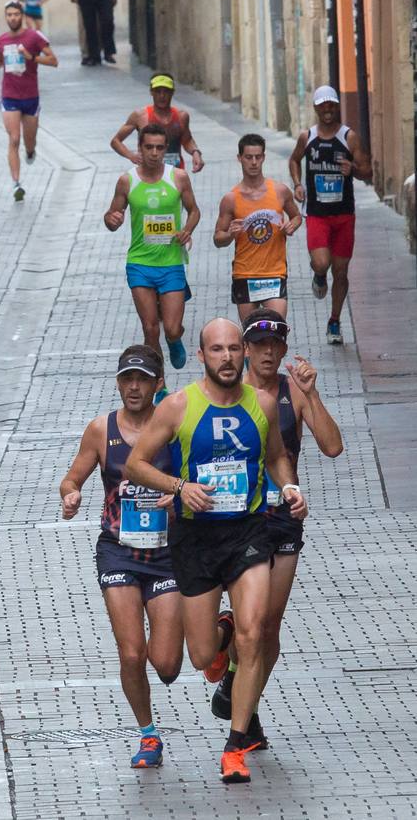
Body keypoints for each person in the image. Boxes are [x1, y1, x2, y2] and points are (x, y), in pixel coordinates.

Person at [125, 318, 308, 784]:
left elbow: (274, 456)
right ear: (202, 355)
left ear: (242, 354)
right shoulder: (178, 407)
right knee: (204, 653)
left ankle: (235, 745)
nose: (227, 357)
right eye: (217, 350)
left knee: (254, 634)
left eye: (233, 349)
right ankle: (218, 639)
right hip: (195, 540)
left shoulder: (262, 403)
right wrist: (179, 486)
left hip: (248, 533)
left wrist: (288, 486)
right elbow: (136, 464)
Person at [211, 308, 342, 746]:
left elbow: (332, 446)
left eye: (276, 345)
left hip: (284, 520)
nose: (268, 352)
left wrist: (313, 394)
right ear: (245, 349)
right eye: (259, 344)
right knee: (252, 623)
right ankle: (238, 694)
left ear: (284, 349)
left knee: (268, 628)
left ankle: (240, 703)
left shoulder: (293, 391)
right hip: (237, 521)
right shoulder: (232, 392)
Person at [59, 345, 183, 769]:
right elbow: (72, 476)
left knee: (166, 665)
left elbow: (197, 475)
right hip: (118, 551)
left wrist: (177, 495)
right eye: (127, 378)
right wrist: (71, 495)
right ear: (118, 382)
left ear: (157, 384)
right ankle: (148, 735)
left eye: (143, 379)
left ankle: (211, 637)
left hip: (167, 554)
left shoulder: (174, 425)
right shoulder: (101, 429)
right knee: (131, 653)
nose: (134, 387)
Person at [104, 123, 200, 398]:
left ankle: (174, 340)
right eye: (149, 147)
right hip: (140, 264)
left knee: (171, 328)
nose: (155, 153)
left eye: (160, 148)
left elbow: (194, 211)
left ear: (166, 149)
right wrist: (111, 220)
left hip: (171, 265)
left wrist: (187, 230)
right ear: (140, 148)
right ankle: (160, 385)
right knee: (150, 328)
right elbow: (112, 215)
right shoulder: (127, 181)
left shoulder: (178, 177)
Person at [289, 85, 372, 345]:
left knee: (342, 271)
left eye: (331, 104)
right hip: (317, 213)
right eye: (322, 105)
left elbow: (367, 170)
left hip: (344, 214)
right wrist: (298, 184)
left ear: (336, 106)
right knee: (323, 263)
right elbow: (294, 160)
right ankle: (318, 275)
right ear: (315, 108)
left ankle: (334, 321)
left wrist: (353, 170)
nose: (327, 109)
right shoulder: (307, 137)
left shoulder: (349, 137)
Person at [214, 134, 301, 322]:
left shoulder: (279, 191)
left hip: (274, 273)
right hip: (245, 274)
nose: (253, 162)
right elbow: (218, 238)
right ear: (239, 158)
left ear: (264, 157)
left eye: (258, 157)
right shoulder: (231, 199)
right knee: (250, 336)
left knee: (276, 330)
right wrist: (230, 234)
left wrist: (291, 225)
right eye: (248, 157)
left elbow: (296, 216)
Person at [0, 1, 58, 201]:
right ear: (5, 17)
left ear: (22, 15)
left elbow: (54, 61)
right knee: (14, 139)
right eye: (9, 15)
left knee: (29, 141)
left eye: (16, 14)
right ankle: (16, 184)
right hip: (9, 95)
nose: (12, 18)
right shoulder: (1, 40)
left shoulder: (34, 37)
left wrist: (31, 57)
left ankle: (30, 151)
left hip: (30, 97)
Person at [111, 72, 204, 172]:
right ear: (151, 92)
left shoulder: (181, 116)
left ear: (172, 92)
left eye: (166, 92)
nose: (162, 96)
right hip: (148, 176)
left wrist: (195, 153)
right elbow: (116, 141)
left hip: (175, 175)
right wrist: (131, 156)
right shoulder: (140, 116)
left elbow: (187, 140)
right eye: (158, 91)